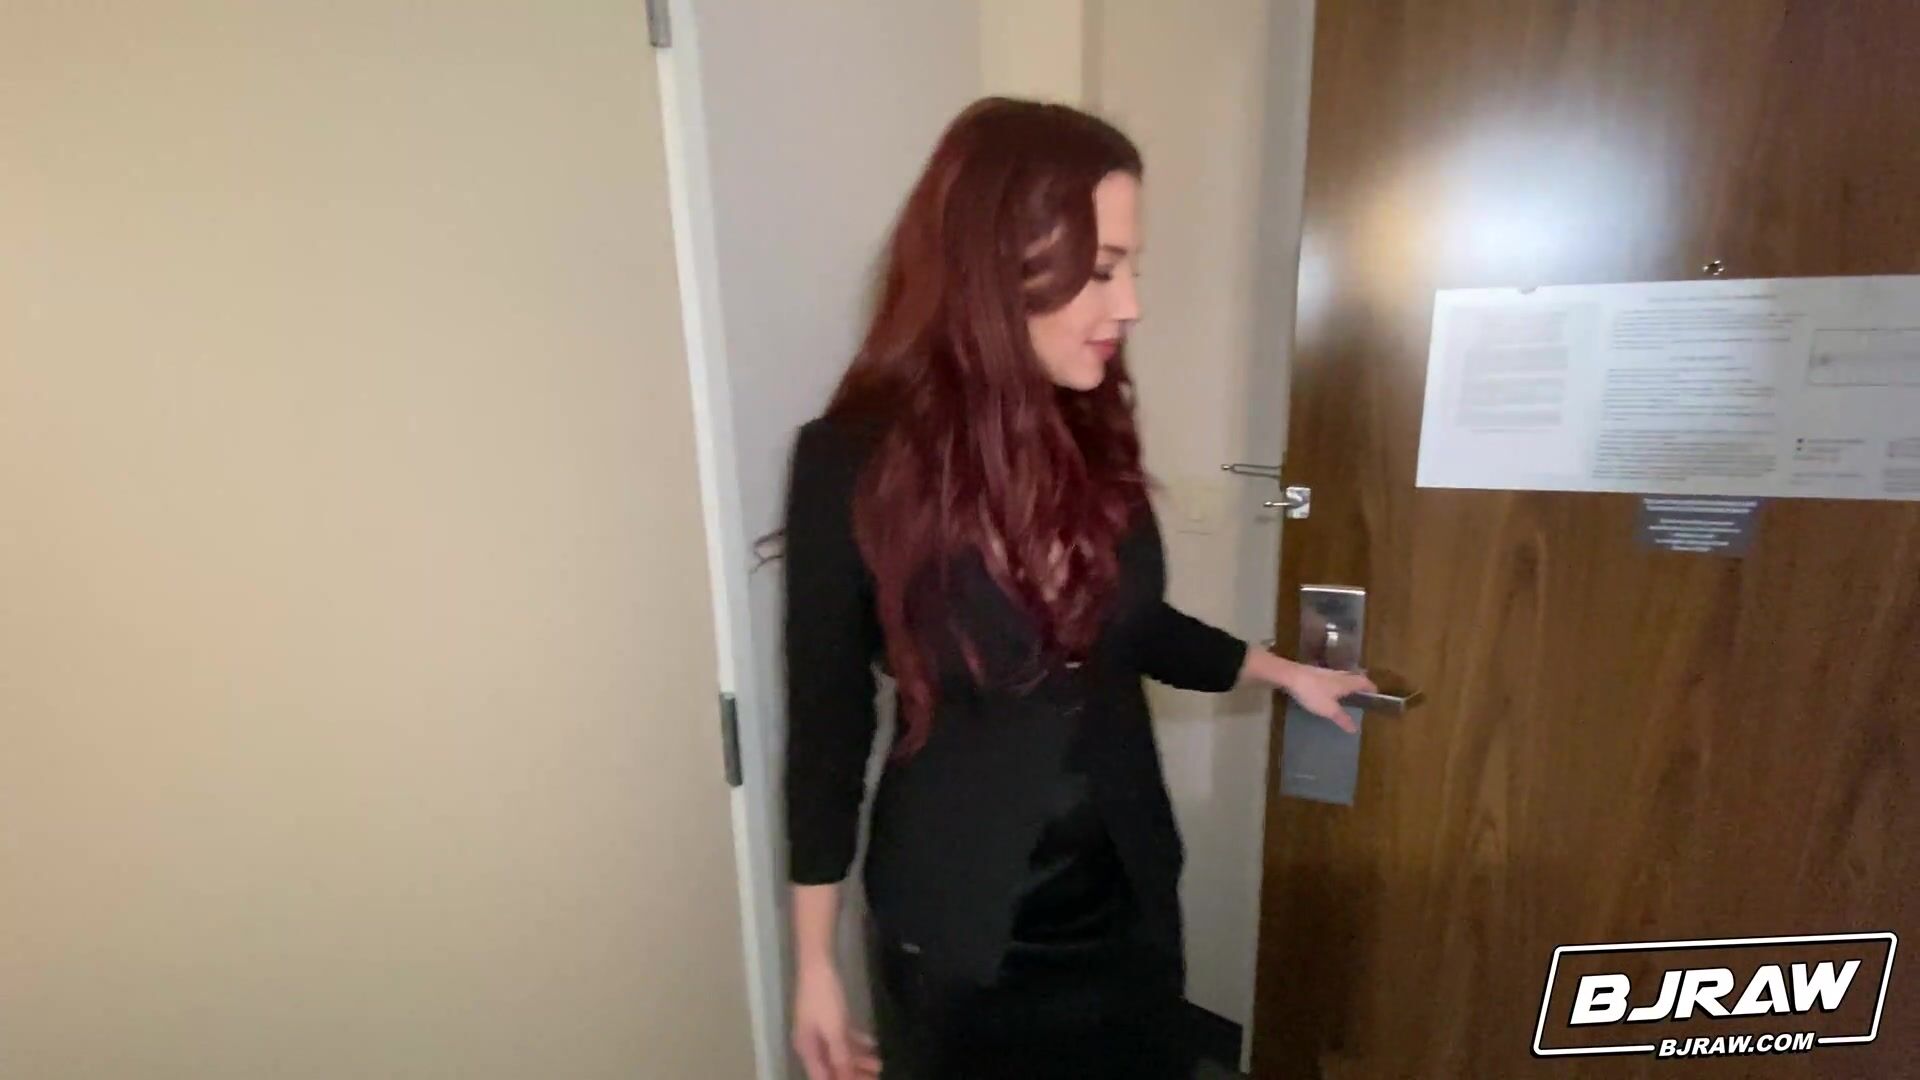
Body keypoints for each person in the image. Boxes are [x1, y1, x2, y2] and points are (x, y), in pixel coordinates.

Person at [781, 98, 1372, 1080]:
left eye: (1131, 268)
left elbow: (1130, 628)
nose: (1129, 305)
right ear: (990, 267)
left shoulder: (1091, 435)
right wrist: (814, 963)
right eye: (1102, 271)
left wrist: (1281, 672)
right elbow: (826, 730)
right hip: (961, 930)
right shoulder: (849, 462)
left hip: (1126, 905)